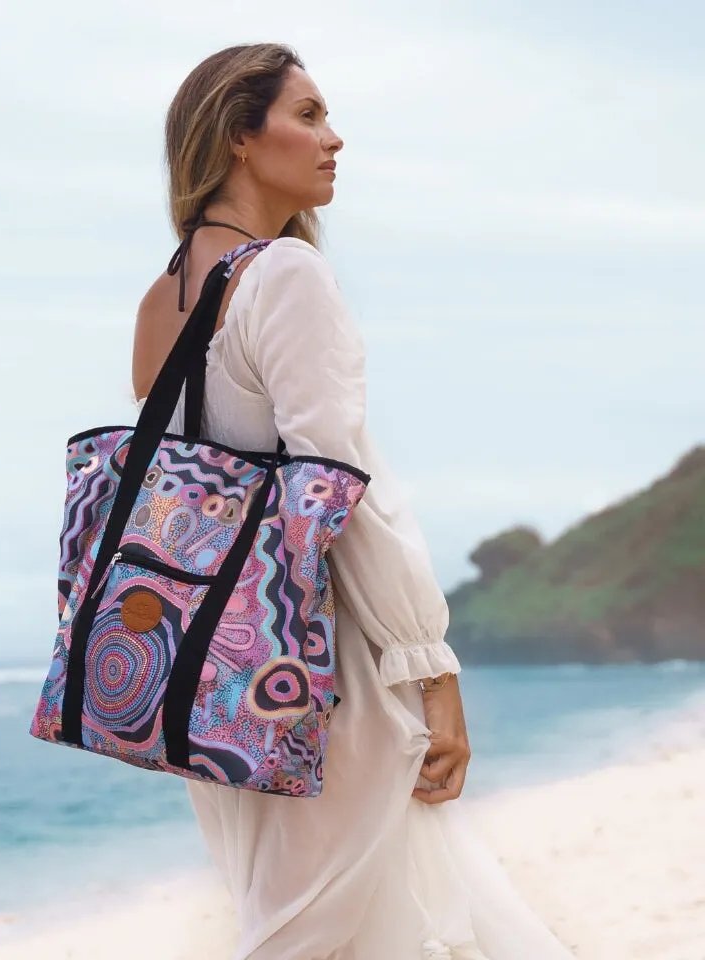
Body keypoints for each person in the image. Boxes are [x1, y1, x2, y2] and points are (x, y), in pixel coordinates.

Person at [132, 43, 575, 960]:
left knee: (310, 923)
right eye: (308, 114)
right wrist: (431, 667)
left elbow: (185, 498)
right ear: (240, 139)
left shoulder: (160, 301)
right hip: (320, 668)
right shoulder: (286, 277)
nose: (334, 139)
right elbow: (340, 498)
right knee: (344, 932)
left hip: (215, 682)